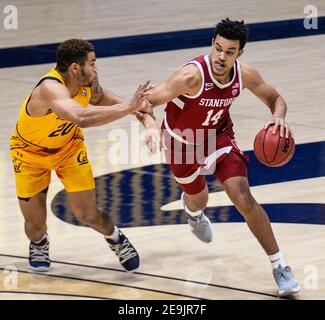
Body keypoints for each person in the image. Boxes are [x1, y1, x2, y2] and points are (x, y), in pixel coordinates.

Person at [139, 19, 300, 297]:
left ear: (240, 53)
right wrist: (152, 127)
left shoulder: (244, 74)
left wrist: (278, 119)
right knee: (198, 198)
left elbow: (276, 98)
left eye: (229, 52)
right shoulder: (190, 77)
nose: (221, 57)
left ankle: (280, 267)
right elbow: (143, 103)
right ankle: (192, 211)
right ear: (213, 44)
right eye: (218, 48)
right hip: (181, 143)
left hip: (219, 138)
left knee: (243, 198)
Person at [10, 39, 152, 272]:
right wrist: (127, 107)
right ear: (75, 68)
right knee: (35, 224)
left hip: (69, 148)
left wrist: (134, 108)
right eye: (92, 63)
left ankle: (116, 238)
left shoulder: (88, 82)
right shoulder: (49, 88)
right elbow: (81, 118)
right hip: (29, 153)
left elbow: (99, 98)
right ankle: (39, 243)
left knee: (88, 214)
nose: (96, 68)